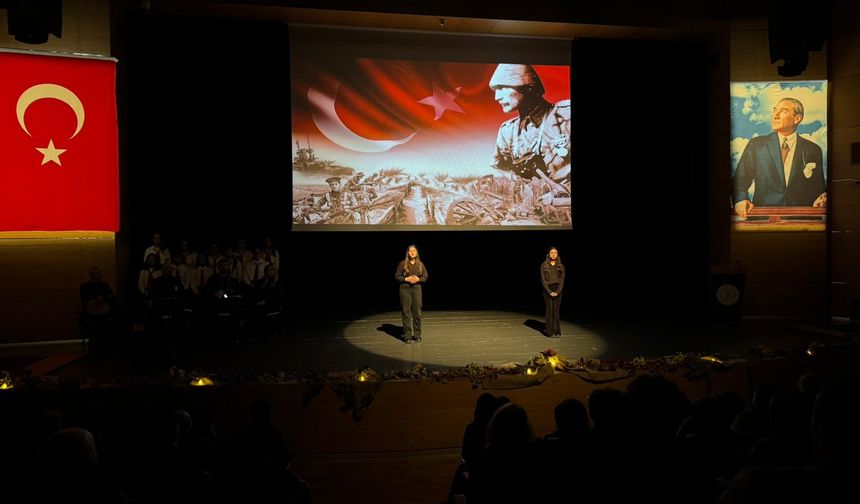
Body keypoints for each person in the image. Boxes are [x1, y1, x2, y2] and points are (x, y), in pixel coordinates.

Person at [732, 97, 826, 218]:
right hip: (763, 221)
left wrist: (820, 199)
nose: (775, 115)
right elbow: (739, 181)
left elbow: (818, 189)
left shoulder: (813, 149)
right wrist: (740, 199)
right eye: (774, 110)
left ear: (797, 119)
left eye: (783, 111)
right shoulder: (756, 145)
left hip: (802, 221)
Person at [489, 63, 571, 181]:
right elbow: (501, 170)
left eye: (502, 88)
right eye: (496, 90)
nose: (497, 97)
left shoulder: (566, 115)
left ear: (528, 86)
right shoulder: (507, 132)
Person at [395, 244, 428, 343]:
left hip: (416, 288)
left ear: (417, 252)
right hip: (405, 289)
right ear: (407, 253)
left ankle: (417, 335)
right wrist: (406, 278)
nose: (412, 252)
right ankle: (407, 336)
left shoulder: (420, 264)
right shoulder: (402, 264)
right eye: (410, 251)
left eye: (414, 250)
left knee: (417, 313)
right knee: (406, 313)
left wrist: (419, 279)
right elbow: (397, 276)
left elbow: (425, 276)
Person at [540, 247, 564, 338]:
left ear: (557, 254)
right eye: (552, 253)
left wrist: (557, 291)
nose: (553, 254)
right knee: (549, 311)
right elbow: (543, 280)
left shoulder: (561, 266)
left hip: (558, 289)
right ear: (548, 254)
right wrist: (549, 291)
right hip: (548, 289)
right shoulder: (544, 265)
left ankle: (557, 331)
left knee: (556, 312)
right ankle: (550, 331)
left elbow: (562, 280)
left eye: (555, 253)